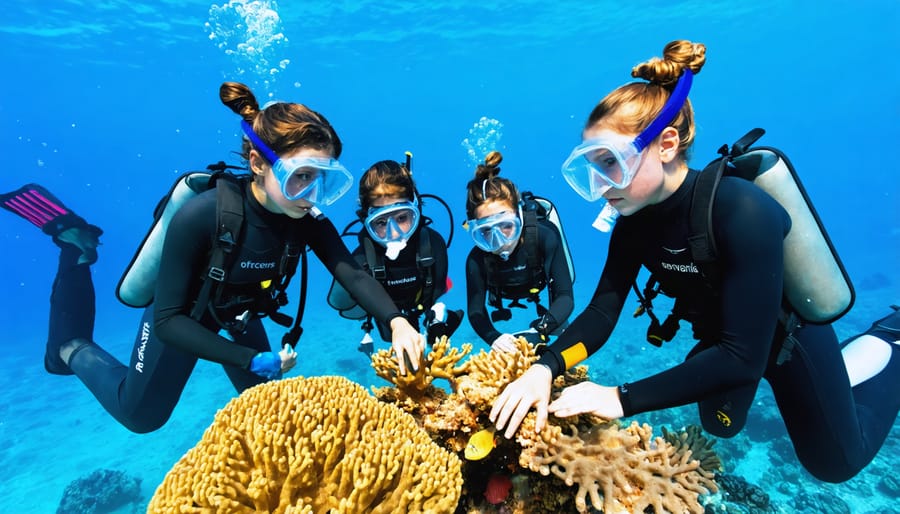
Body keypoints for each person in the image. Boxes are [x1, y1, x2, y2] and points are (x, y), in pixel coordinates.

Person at [489, 40, 900, 483]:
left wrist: (619, 397)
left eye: (610, 162)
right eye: (589, 168)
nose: (601, 184)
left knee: (835, 463)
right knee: (721, 425)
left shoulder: (742, 210)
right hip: (725, 343)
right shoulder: (634, 223)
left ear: (666, 144)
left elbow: (742, 358)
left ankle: (890, 340)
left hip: (786, 342)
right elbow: (603, 311)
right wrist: (544, 367)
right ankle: (847, 369)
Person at [0, 81, 424, 434]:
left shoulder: (305, 218)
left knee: (267, 407)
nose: (311, 194)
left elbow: (350, 272)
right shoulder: (203, 216)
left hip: (239, 314)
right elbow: (168, 321)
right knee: (141, 415)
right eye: (301, 177)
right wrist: (247, 359)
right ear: (258, 163)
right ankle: (71, 343)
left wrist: (398, 322)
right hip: (184, 317)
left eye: (322, 179)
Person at [327, 157, 463, 355]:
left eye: (402, 218)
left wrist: (434, 319)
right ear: (366, 221)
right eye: (381, 223)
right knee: (387, 336)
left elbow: (437, 289)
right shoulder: (362, 259)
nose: (394, 232)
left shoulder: (433, 244)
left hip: (420, 306)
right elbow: (341, 302)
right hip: (386, 315)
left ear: (416, 210)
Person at [464, 151, 575, 352]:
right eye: (486, 231)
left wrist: (541, 329)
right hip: (504, 294)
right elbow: (475, 311)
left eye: (506, 226)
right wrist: (494, 338)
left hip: (537, 286)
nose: (499, 241)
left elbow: (565, 296)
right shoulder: (476, 259)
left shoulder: (545, 237)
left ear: (520, 218)